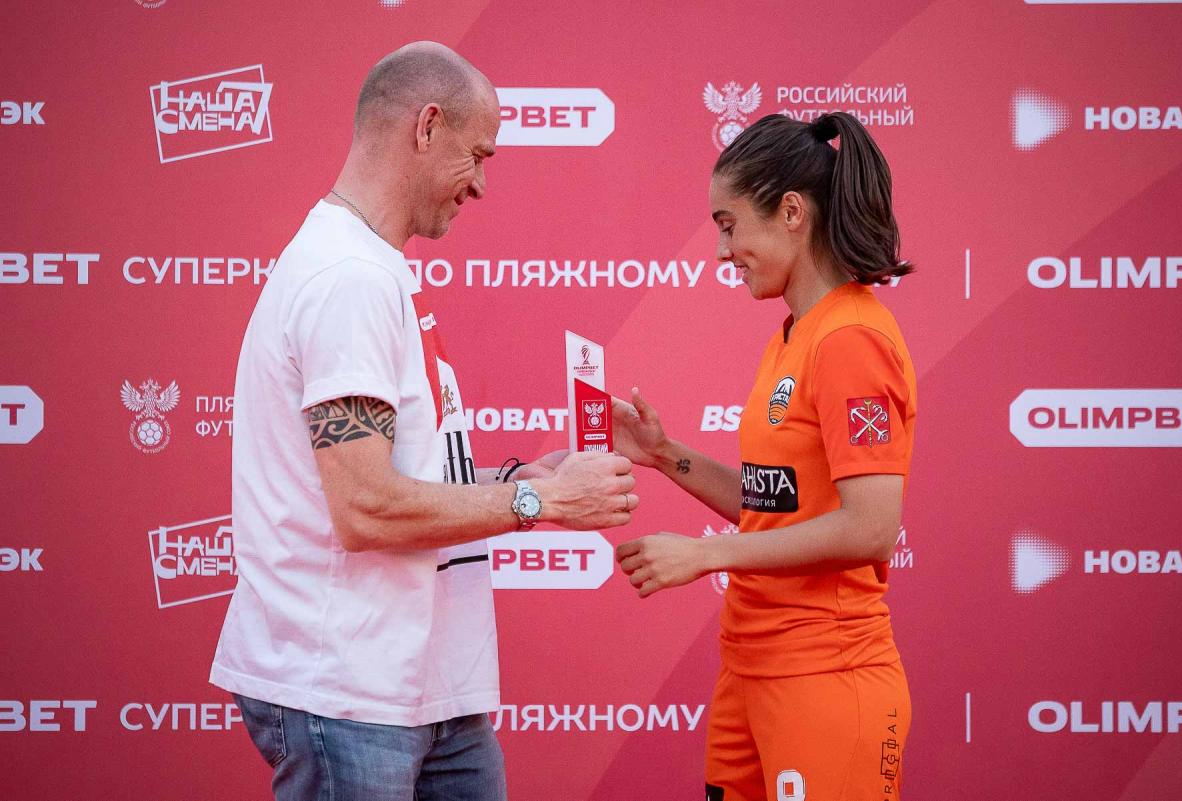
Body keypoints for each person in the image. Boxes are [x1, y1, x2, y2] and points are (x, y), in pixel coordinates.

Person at [209, 41, 638, 801]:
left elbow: (404, 473)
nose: (481, 185)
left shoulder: (372, 265)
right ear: (427, 125)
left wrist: (521, 477)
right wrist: (539, 501)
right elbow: (366, 506)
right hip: (348, 690)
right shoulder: (348, 277)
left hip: (425, 685)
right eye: (478, 155)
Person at [614, 112, 916, 801]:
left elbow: (872, 527)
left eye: (729, 225)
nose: (723, 251)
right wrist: (664, 454)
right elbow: (776, 503)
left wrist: (707, 554)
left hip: (827, 677)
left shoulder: (851, 339)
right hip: (751, 667)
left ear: (791, 212)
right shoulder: (794, 333)